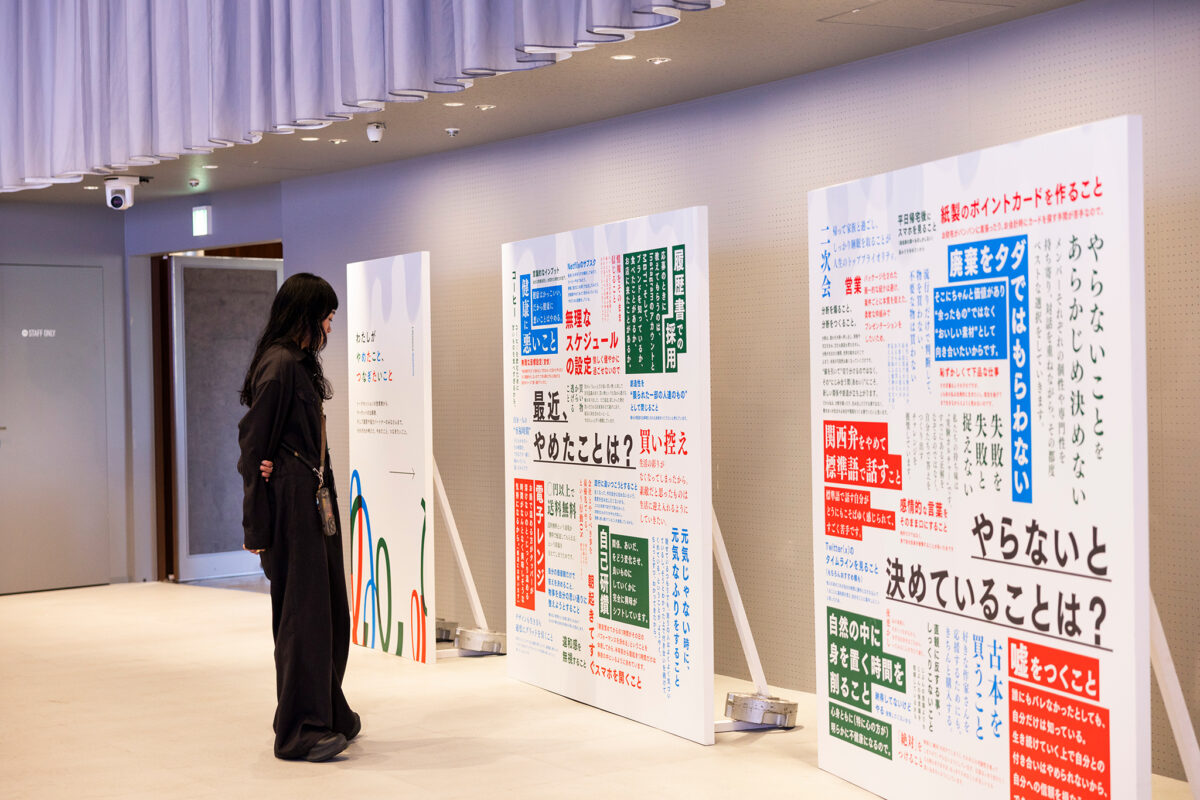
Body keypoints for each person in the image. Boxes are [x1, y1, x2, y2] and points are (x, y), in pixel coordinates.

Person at [237, 273, 359, 762]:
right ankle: (297, 731)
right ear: (306, 314)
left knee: (329, 612)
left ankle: (328, 710)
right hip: (292, 506)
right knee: (302, 619)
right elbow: (253, 449)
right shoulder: (280, 365)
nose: (330, 325)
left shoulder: (300, 362)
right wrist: (256, 527)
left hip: (314, 499)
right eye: (327, 315)